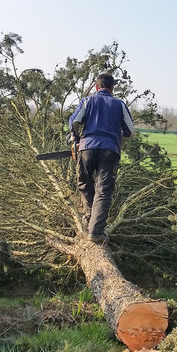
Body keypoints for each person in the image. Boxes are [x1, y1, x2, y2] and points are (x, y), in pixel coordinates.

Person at [68, 73, 135, 243]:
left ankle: (90, 214)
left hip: (87, 148)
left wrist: (76, 138)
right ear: (112, 88)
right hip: (110, 150)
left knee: (83, 181)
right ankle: (96, 231)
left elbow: (75, 122)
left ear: (96, 87)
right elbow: (130, 132)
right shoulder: (119, 104)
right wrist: (117, 137)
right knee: (103, 190)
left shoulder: (87, 101)